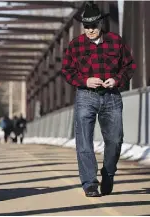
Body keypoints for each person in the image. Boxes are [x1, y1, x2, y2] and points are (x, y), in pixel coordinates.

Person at [61, 2, 136, 197]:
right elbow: (67, 71)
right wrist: (85, 80)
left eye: (93, 26)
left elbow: (130, 66)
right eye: (86, 26)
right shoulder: (75, 45)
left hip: (111, 97)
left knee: (116, 140)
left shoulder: (115, 41)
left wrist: (117, 80)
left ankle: (108, 173)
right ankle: (90, 183)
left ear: (101, 24)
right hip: (85, 96)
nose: (90, 30)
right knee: (84, 141)